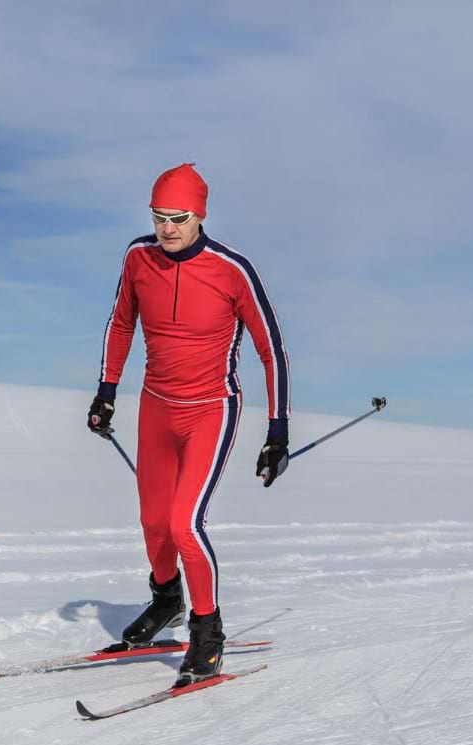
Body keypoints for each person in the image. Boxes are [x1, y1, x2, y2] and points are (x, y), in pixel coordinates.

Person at [87, 162, 291, 687]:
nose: (167, 228)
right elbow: (121, 321)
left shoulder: (232, 270)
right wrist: (107, 390)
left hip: (210, 410)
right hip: (156, 407)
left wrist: (277, 431)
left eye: (178, 217)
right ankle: (167, 600)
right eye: (159, 217)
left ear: (199, 215)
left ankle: (207, 632)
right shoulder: (138, 257)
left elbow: (272, 352)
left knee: (184, 523)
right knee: (153, 521)